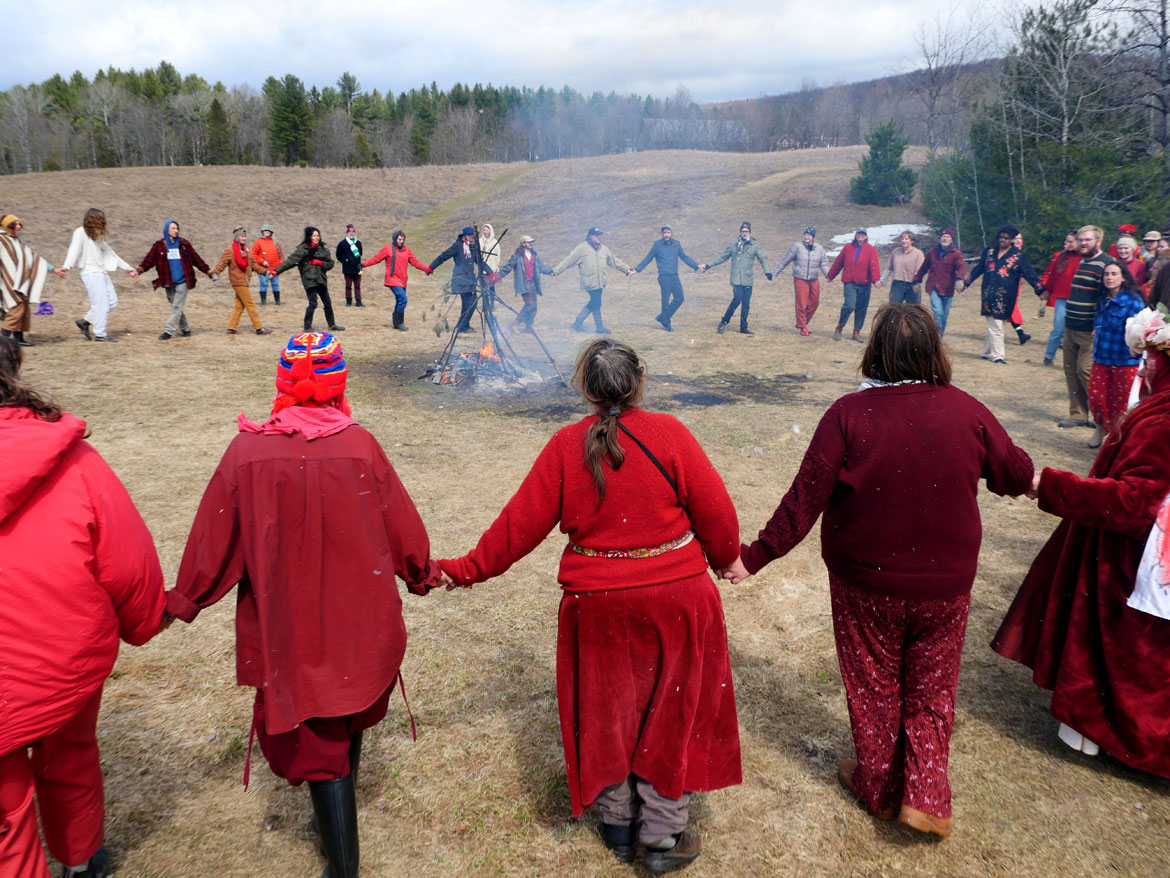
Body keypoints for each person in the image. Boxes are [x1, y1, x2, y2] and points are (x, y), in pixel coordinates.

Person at [723, 303, 1033, 838]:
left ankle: (882, 787)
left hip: (865, 583)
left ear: (876, 354)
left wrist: (754, 557)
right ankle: (926, 796)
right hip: (944, 584)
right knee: (932, 689)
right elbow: (1016, 475)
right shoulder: (967, 411)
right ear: (935, 351)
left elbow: (804, 499)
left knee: (873, 684)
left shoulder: (848, 413)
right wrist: (1023, 473)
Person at [439, 338, 742, 872]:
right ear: (639, 381)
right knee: (670, 708)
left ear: (586, 390)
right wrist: (726, 559)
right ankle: (663, 836)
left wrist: (465, 570)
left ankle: (619, 823)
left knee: (607, 711)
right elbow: (718, 515)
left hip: (596, 604)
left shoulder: (566, 444)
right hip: (676, 598)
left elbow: (517, 528)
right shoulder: (670, 433)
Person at [166, 332, 441, 878]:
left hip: (290, 624)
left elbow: (211, 541)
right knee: (340, 713)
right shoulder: (359, 445)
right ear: (338, 383)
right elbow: (403, 526)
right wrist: (420, 572)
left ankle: (342, 867)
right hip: (356, 616)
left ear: (283, 382)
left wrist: (183, 599)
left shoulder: (247, 452)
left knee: (330, 725)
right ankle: (334, 833)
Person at [0, 335, 166, 878]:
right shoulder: (72, 459)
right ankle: (82, 859)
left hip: (56, 652)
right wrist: (143, 621)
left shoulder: (70, 457)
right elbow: (128, 558)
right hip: (61, 651)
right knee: (68, 755)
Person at [992, 307, 1170, 778]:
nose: (1143, 367)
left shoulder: (1164, 419)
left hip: (1130, 559)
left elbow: (1135, 503)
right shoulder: (1158, 409)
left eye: (1151, 359)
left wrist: (1048, 485)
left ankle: (1115, 733)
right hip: (1132, 551)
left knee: (1126, 649)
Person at [1059, 225, 1118, 429]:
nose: (1083, 243)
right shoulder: (1084, 261)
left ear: (1098, 241)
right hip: (1071, 327)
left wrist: (1099, 326)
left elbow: (1109, 298)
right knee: (1071, 371)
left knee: (1085, 370)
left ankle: (1104, 416)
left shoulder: (1107, 264)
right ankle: (1078, 414)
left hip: (1089, 331)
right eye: (1081, 240)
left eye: (1087, 240)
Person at [964, 225, 1042, 365]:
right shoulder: (989, 251)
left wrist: (1040, 290)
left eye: (1006, 238)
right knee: (996, 325)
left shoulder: (1019, 256)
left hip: (1007, 295)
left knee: (998, 324)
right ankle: (998, 355)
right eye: (1001, 237)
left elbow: (1030, 274)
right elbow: (979, 268)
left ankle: (986, 352)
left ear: (1012, 240)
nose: (1003, 240)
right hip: (989, 293)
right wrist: (966, 283)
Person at [1086, 263, 1146, 447]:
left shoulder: (1133, 301)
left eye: (1114, 274)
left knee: (1120, 402)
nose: (1109, 277)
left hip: (1124, 361)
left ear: (1124, 277)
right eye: (1106, 274)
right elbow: (1098, 320)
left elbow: (1140, 328)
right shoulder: (1103, 298)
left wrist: (1136, 347)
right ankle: (1099, 428)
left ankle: (1115, 439)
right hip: (1101, 357)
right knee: (1097, 398)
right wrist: (1096, 330)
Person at [62, 208, 138, 344]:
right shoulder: (80, 232)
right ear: (91, 219)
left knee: (112, 301)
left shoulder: (98, 235)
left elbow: (110, 253)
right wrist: (66, 267)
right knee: (100, 304)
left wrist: (128, 269)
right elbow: (73, 251)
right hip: (90, 272)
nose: (102, 221)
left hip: (102, 272)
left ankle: (85, 322)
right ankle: (100, 334)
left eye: (102, 218)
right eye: (99, 218)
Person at [136, 219, 215, 341]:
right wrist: (139, 270)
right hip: (168, 282)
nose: (176, 231)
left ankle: (168, 331)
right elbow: (149, 260)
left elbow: (196, 259)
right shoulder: (159, 245)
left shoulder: (184, 244)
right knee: (176, 307)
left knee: (176, 307)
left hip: (183, 281)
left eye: (177, 228)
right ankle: (185, 328)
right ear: (166, 230)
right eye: (173, 228)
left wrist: (209, 272)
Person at [553, 227, 634, 335]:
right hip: (589, 281)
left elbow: (614, 261)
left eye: (599, 235)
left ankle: (586, 325)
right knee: (596, 301)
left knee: (595, 302)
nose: (598, 237)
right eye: (596, 235)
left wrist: (626, 269)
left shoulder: (604, 249)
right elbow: (569, 260)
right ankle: (590, 325)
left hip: (600, 281)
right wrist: (556, 270)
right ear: (590, 236)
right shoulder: (581, 248)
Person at [0, 214, 66, 347]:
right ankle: (2, 341)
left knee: (24, 310)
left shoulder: (17, 241)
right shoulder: (2, 241)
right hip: (9, 283)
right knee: (15, 310)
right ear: (8, 226)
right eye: (15, 224)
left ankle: (18, 339)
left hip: (22, 281)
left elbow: (34, 259)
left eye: (19, 224)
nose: (19, 226)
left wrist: (54, 269)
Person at [701, 221, 771, 336]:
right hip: (736, 278)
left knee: (746, 303)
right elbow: (723, 257)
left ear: (750, 232)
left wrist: (767, 272)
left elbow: (762, 258)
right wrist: (709, 265)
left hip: (747, 278)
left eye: (747, 231)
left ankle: (743, 327)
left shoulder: (754, 245)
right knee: (737, 298)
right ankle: (723, 321)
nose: (744, 233)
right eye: (743, 231)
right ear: (740, 232)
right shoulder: (734, 244)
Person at [273, 226, 343, 333]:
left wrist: (320, 263)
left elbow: (330, 263)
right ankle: (307, 327)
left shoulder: (323, 249)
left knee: (328, 303)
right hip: (309, 280)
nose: (316, 238)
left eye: (318, 235)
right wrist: (276, 271)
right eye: (314, 235)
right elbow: (290, 261)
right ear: (309, 237)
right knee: (313, 303)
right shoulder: (302, 249)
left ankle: (332, 325)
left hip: (321, 280)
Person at [362, 230, 432, 331]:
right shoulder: (387, 248)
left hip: (403, 280)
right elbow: (376, 259)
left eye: (403, 239)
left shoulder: (407, 250)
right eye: (399, 239)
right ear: (395, 239)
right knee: (403, 299)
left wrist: (426, 269)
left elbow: (415, 262)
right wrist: (363, 265)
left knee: (399, 300)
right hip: (392, 279)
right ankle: (400, 323)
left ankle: (395, 323)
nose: (401, 241)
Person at [634, 224, 699, 332]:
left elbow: (684, 257)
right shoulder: (657, 245)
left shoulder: (677, 244)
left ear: (671, 233)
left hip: (674, 276)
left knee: (680, 298)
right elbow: (648, 258)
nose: (666, 234)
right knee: (665, 300)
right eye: (665, 232)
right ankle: (666, 322)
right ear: (662, 234)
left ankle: (662, 317)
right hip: (663, 276)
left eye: (668, 232)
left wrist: (696, 266)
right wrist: (637, 269)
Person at [430, 226, 493, 335]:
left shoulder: (473, 247)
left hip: (470, 280)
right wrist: (431, 267)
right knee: (468, 302)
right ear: (464, 236)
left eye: (473, 235)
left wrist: (491, 272)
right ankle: (463, 326)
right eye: (470, 235)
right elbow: (443, 256)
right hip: (460, 280)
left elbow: (480, 261)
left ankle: (463, 325)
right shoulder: (457, 246)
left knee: (472, 302)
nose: (472, 237)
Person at [211, 226, 273, 337]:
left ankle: (231, 328)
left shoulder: (246, 250)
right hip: (238, 281)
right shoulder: (230, 250)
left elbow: (253, 264)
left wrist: (265, 272)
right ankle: (259, 328)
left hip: (245, 280)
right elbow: (222, 263)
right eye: (241, 236)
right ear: (236, 237)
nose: (243, 238)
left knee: (239, 306)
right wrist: (215, 272)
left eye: (244, 236)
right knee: (250, 304)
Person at [775, 226, 831, 336]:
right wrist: (775, 273)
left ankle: (802, 323)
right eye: (805, 235)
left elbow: (824, 263)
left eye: (809, 235)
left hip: (813, 278)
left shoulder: (819, 248)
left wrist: (829, 275)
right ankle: (803, 327)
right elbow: (785, 260)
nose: (806, 237)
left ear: (813, 237)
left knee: (814, 303)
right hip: (800, 278)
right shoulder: (797, 246)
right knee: (801, 303)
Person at [827, 227, 880, 342]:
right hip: (850, 282)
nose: (860, 236)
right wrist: (831, 275)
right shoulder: (848, 248)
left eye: (863, 234)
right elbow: (838, 262)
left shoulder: (871, 250)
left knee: (861, 308)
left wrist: (876, 280)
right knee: (849, 305)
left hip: (864, 283)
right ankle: (839, 327)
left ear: (866, 236)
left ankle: (856, 332)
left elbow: (874, 266)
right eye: (858, 234)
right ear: (856, 235)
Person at [1038, 232, 1082, 366]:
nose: (1067, 244)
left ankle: (1075, 359)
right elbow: (1053, 276)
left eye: (1071, 242)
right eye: (1066, 241)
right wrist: (1046, 290)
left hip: (1079, 298)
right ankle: (1049, 355)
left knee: (1076, 331)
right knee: (1058, 328)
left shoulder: (1084, 258)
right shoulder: (1060, 257)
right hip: (1062, 297)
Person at [495, 235, 554, 333]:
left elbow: (542, 267)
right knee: (530, 304)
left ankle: (529, 327)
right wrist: (498, 276)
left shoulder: (534, 255)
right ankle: (515, 323)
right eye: (528, 242)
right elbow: (507, 268)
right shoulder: (517, 257)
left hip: (533, 284)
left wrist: (551, 271)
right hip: (523, 284)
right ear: (523, 244)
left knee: (534, 307)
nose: (531, 244)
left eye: (531, 242)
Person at [913, 226, 966, 335]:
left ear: (951, 239)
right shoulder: (932, 252)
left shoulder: (956, 254)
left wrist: (959, 278)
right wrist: (917, 280)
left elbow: (962, 267)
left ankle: (939, 337)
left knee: (944, 316)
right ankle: (936, 339)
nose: (945, 239)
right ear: (940, 238)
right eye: (943, 236)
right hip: (933, 288)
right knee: (938, 313)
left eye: (947, 237)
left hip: (948, 288)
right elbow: (924, 267)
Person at [877, 230, 925, 304]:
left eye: (906, 239)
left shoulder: (918, 254)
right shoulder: (896, 252)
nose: (903, 241)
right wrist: (881, 281)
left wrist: (916, 283)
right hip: (897, 284)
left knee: (914, 310)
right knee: (893, 308)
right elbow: (889, 268)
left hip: (913, 284)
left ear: (911, 241)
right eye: (902, 239)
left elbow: (920, 271)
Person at [252, 224, 284, 306]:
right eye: (265, 230)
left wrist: (280, 266)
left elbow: (281, 255)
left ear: (271, 232)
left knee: (275, 285)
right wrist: (262, 261)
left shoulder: (276, 242)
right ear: (262, 232)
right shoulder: (258, 241)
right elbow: (253, 254)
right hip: (263, 269)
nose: (267, 232)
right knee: (264, 284)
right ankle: (263, 301)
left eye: (269, 231)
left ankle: (277, 301)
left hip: (275, 269)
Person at [336, 223, 364, 307]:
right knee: (348, 285)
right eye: (350, 231)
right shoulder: (342, 243)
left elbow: (360, 253)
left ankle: (358, 301)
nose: (351, 233)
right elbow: (338, 255)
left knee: (357, 285)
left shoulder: (358, 243)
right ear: (347, 233)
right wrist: (344, 261)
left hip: (357, 267)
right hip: (347, 268)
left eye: (353, 231)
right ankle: (348, 301)